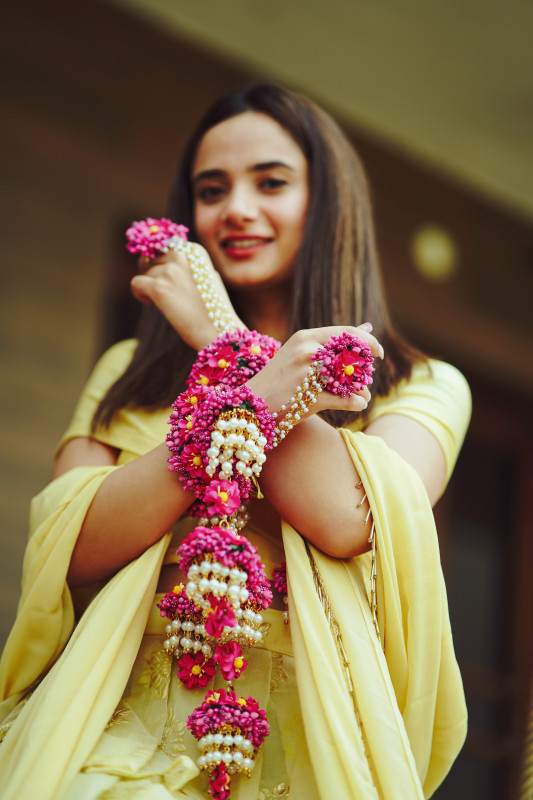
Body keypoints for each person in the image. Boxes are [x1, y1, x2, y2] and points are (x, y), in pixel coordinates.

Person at [0, 84, 471, 800]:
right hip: (114, 726)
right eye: (211, 189)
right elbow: (71, 543)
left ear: (328, 204)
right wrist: (255, 394)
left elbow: (346, 518)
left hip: (313, 739)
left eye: (271, 182)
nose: (237, 210)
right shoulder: (128, 374)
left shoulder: (419, 384)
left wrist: (217, 336)